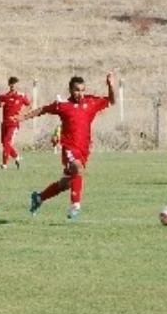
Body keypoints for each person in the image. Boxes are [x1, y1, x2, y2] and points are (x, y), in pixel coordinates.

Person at [18, 73, 116, 220]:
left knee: (66, 184)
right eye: (77, 90)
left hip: (84, 149)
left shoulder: (90, 102)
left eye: (82, 90)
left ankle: (39, 197)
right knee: (78, 168)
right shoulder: (62, 105)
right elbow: (43, 109)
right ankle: (75, 206)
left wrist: (110, 85)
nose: (80, 93)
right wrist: (23, 117)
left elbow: (112, 101)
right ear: (70, 90)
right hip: (69, 148)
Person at [0, 76, 31, 170]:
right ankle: (16, 157)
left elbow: (29, 105)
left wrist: (21, 115)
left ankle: (4, 164)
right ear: (9, 84)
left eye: (15, 83)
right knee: (4, 143)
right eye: (12, 83)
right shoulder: (4, 97)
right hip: (5, 124)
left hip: (13, 124)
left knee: (7, 142)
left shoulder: (21, 96)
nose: (13, 85)